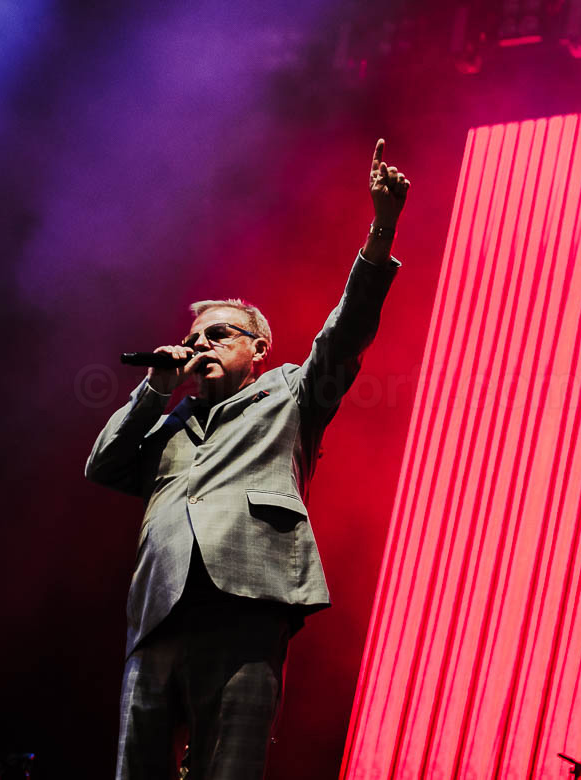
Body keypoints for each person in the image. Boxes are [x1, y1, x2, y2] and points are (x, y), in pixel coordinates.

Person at [85, 138, 410, 779]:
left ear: (258, 348)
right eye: (193, 338)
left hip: (247, 597)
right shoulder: (167, 421)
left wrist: (381, 231)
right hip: (158, 610)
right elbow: (104, 465)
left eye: (218, 334)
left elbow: (345, 331)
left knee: (229, 768)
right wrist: (154, 388)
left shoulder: (290, 392)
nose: (200, 344)